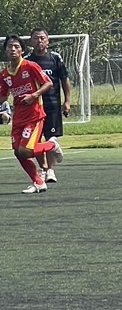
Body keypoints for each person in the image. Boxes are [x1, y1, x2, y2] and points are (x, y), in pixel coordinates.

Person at [0, 35, 60, 193]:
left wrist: (34, 95)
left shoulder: (30, 66)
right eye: (9, 46)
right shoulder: (5, 74)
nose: (13, 49)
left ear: (22, 50)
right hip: (18, 118)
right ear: (5, 50)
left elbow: (48, 83)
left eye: (16, 46)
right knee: (18, 152)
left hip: (34, 116)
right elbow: (3, 96)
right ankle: (38, 182)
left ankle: (52, 145)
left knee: (25, 151)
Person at [28, 29, 70, 183]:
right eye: (36, 38)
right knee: (36, 139)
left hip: (52, 105)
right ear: (31, 41)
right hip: (34, 106)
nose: (39, 41)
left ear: (48, 41)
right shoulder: (28, 61)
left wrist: (67, 101)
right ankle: (43, 169)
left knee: (51, 137)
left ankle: (51, 170)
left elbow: (64, 80)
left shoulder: (55, 58)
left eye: (42, 38)